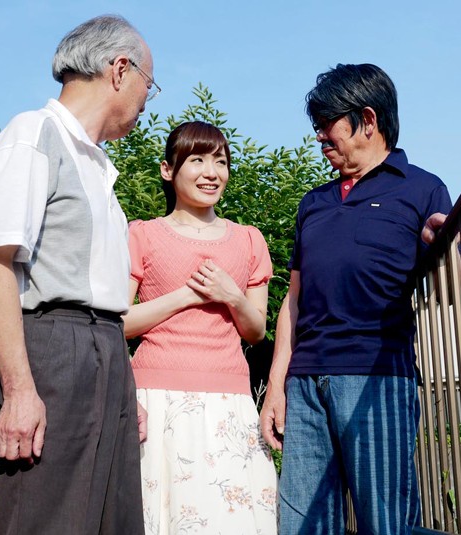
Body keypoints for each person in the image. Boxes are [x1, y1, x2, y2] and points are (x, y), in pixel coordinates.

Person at [0, 15, 159, 534]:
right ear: (120, 69)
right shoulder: (33, 134)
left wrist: (122, 385)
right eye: (150, 82)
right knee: (48, 520)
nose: (148, 98)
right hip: (53, 352)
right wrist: (19, 391)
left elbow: (102, 295)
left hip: (105, 351)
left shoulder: (97, 165)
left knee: (113, 522)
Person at [259, 63, 453, 534]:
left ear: (367, 120)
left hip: (377, 377)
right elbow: (294, 301)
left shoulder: (423, 188)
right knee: (302, 525)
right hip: (305, 383)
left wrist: (447, 251)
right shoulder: (314, 202)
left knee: (385, 523)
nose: (320, 136)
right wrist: (276, 385)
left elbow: (449, 293)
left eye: (328, 124)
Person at [124, 121, 278, 534]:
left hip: (229, 402)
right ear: (167, 170)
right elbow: (117, 322)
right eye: (197, 160)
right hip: (154, 401)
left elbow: (256, 331)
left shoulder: (249, 240)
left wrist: (232, 296)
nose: (212, 172)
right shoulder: (142, 235)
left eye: (220, 162)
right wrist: (185, 296)